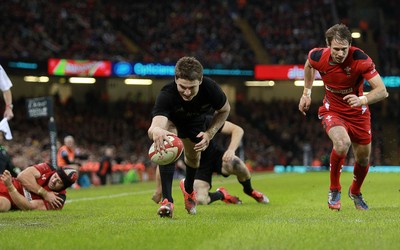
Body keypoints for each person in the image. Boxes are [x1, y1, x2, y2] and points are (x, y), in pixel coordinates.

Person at [298, 23, 388, 211]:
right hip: (332, 110)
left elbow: (382, 91)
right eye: (336, 49)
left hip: (358, 113)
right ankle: (334, 189)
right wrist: (306, 93)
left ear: (350, 45)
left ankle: (355, 192)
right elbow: (308, 65)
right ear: (328, 46)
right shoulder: (317, 56)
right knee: (341, 143)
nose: (340, 53)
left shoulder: (360, 59)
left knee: (363, 159)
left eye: (344, 49)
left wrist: (362, 99)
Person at [148, 56, 230, 218]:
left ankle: (189, 191)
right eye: (182, 87)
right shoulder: (167, 94)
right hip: (172, 122)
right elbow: (155, 125)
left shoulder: (211, 89)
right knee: (168, 141)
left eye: (191, 87)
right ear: (176, 79)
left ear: (200, 80)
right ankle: (167, 201)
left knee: (194, 159)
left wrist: (210, 133)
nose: (186, 92)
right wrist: (156, 131)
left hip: (195, 123)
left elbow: (224, 110)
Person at [152, 120, 269, 206]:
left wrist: (231, 150)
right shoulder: (171, 132)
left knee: (237, 164)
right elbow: (164, 159)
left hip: (215, 157)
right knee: (201, 200)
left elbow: (237, 130)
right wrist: (158, 189)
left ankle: (250, 190)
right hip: (197, 167)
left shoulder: (203, 119)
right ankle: (221, 194)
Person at [0, 162, 78, 212]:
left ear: (64, 187)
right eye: (55, 176)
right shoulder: (48, 168)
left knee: (2, 206)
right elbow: (22, 176)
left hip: (10, 196)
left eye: (59, 182)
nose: (54, 181)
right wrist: (44, 193)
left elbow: (28, 207)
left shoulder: (58, 199)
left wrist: (10, 186)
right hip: (6, 183)